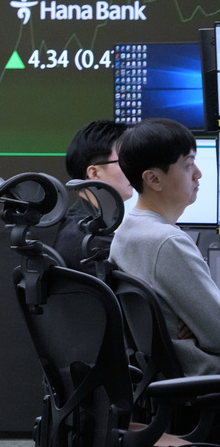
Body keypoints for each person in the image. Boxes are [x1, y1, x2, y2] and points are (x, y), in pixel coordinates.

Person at [109, 117, 220, 376]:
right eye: (188, 164)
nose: (198, 173)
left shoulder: (127, 231)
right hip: (203, 376)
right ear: (154, 179)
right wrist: (205, 324)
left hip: (172, 381)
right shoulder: (167, 242)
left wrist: (199, 323)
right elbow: (217, 334)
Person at [53, 120, 132, 273]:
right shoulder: (91, 242)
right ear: (94, 173)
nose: (134, 168)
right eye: (125, 160)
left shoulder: (99, 227)